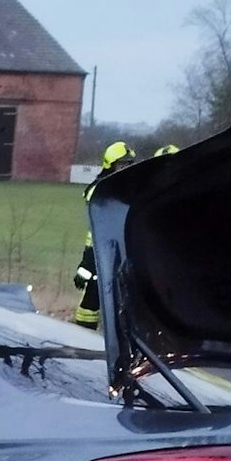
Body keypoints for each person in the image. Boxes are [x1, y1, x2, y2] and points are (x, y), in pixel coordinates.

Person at [72, 141, 137, 329]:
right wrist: (86, 265)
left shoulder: (129, 186)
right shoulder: (100, 189)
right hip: (100, 250)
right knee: (92, 296)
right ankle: (82, 333)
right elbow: (97, 229)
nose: (126, 168)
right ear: (111, 165)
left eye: (129, 164)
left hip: (124, 249)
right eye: (122, 164)